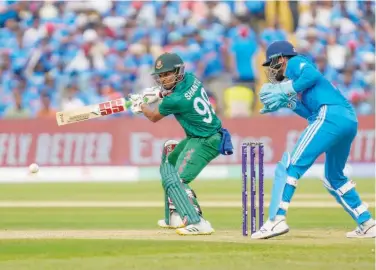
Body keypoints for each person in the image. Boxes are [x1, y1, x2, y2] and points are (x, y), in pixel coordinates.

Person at [253, 40, 375, 239]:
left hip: (330, 115)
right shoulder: (301, 85)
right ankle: (367, 222)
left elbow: (313, 74)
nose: (272, 70)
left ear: (281, 59)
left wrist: (286, 89)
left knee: (292, 165)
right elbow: (311, 115)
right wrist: (290, 103)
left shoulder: (295, 63)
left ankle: (277, 220)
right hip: (347, 120)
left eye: (272, 64)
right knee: (334, 177)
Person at [128, 52, 233, 235]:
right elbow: (171, 92)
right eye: (160, 76)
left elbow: (153, 117)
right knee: (169, 160)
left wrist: (141, 105)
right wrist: (160, 93)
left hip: (206, 140)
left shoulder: (175, 100)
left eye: (167, 74)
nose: (164, 78)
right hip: (199, 136)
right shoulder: (191, 79)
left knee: (179, 180)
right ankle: (175, 216)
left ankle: (198, 222)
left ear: (178, 72)